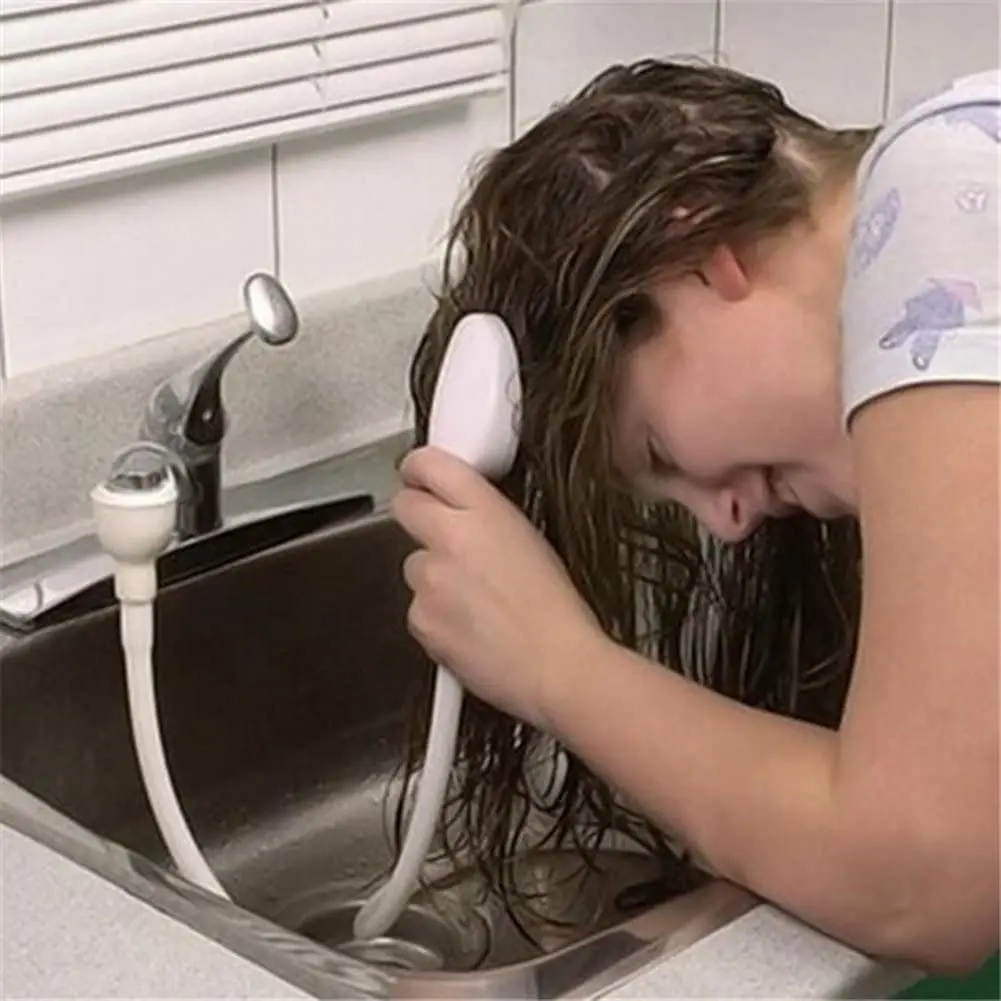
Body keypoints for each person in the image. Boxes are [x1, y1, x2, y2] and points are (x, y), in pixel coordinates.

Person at [391, 60, 999, 975]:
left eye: (661, 452)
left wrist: (553, 663)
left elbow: (919, 881)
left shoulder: (941, 196)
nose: (728, 521)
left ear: (694, 243)